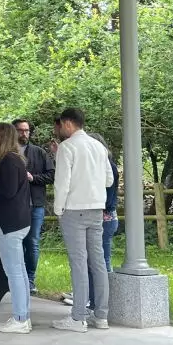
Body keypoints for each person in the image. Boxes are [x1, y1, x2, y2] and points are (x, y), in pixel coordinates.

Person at [51, 108, 111, 332]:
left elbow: (62, 182)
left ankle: (78, 318)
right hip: (97, 209)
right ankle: (101, 315)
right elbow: (109, 179)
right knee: (98, 262)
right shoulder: (99, 147)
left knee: (78, 263)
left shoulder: (67, 147)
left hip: (74, 210)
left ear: (68, 124)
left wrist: (59, 209)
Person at [0, 122, 32, 334]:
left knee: (14, 272)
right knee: (18, 269)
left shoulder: (9, 160)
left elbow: (9, 191)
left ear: (1, 137)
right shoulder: (11, 159)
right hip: (14, 222)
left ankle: (20, 318)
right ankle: (23, 315)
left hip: (10, 223)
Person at [13, 118, 55, 295]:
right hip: (14, 205)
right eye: (21, 130)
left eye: (27, 130)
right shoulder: (7, 153)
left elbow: (51, 175)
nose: (24, 134)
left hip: (34, 204)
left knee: (32, 242)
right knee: (15, 243)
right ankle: (16, 278)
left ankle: (30, 279)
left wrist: (33, 178)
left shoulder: (39, 153)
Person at [87, 132, 120, 320]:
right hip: (107, 219)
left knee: (101, 263)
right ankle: (98, 301)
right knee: (99, 261)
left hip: (104, 219)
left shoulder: (108, 168)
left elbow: (108, 199)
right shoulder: (106, 166)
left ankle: (102, 303)